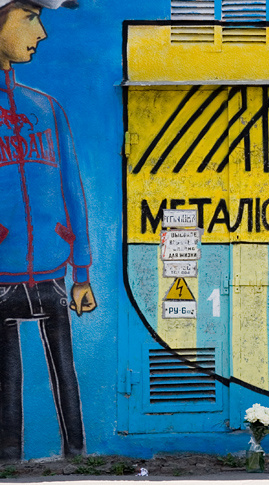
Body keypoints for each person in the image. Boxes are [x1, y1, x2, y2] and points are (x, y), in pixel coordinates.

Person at [0, 0, 96, 460]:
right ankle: (9, 463)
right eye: (29, 17)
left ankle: (78, 457)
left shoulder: (46, 107)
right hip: (0, 276)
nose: (41, 32)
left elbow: (72, 190)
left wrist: (82, 274)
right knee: (6, 380)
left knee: (66, 373)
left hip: (53, 270)